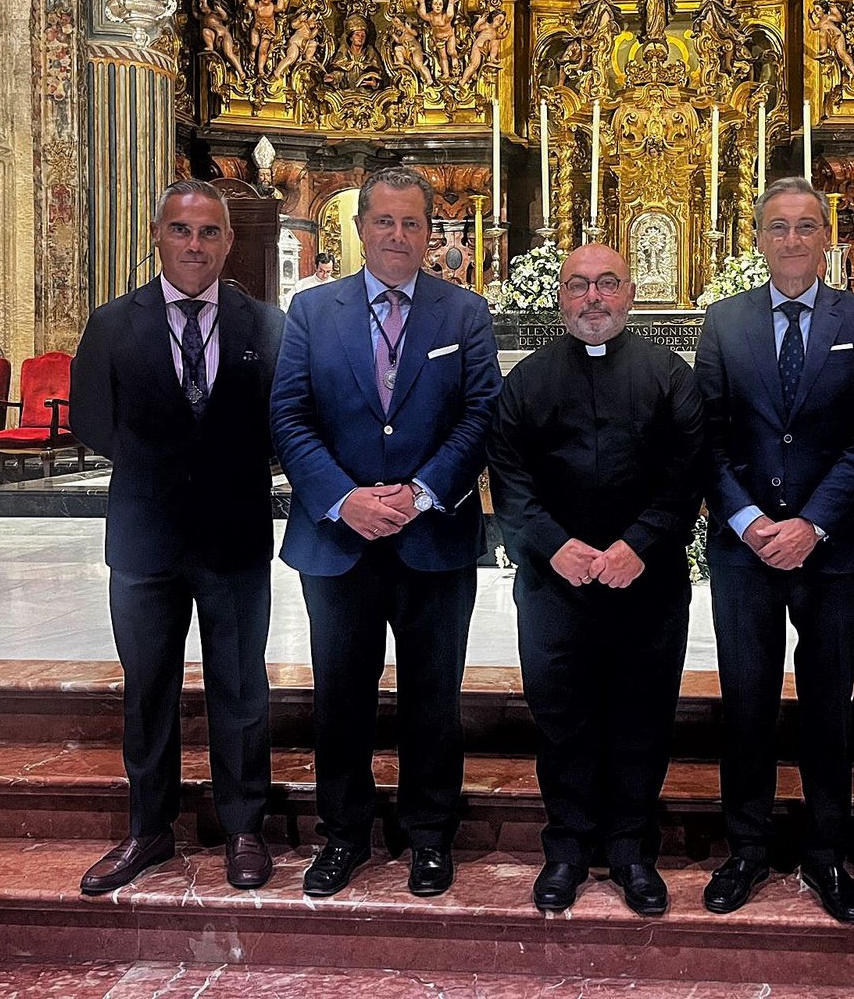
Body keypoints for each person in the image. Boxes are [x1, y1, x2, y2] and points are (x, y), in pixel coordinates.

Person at [270, 166, 502, 900]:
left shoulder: (464, 312)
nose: (398, 235)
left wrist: (422, 492)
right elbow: (289, 414)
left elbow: (481, 413)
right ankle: (343, 834)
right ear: (359, 227)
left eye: (412, 223)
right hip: (339, 543)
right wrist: (344, 499)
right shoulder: (313, 310)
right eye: (384, 221)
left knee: (434, 697)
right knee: (342, 696)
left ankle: (430, 835)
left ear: (430, 233)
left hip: (433, 541)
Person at [70, 180, 285, 896]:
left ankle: (244, 826)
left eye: (209, 232)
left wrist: (218, 468)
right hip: (145, 536)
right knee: (148, 688)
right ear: (158, 236)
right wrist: (164, 468)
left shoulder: (266, 325)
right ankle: (149, 827)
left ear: (228, 241)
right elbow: (92, 419)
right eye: (182, 230)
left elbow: (281, 421)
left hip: (235, 535)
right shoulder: (112, 323)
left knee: (241, 686)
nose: (195, 245)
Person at [695, 176, 854, 924]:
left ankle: (825, 853)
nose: (792, 239)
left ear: (827, 236)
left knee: (827, 709)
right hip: (744, 550)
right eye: (777, 226)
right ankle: (746, 848)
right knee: (746, 703)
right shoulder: (724, 320)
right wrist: (749, 520)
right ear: (758, 237)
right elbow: (707, 436)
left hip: (831, 551)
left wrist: (812, 523)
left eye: (806, 225)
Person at [488, 245, 704, 917]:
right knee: (562, 718)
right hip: (556, 585)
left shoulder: (669, 375)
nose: (593, 298)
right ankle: (568, 848)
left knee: (642, 716)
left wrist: (640, 543)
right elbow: (508, 475)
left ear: (630, 292)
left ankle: (633, 849)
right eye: (578, 285)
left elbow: (688, 470)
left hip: (647, 583)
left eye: (607, 283)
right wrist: (554, 546)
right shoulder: (528, 380)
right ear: (561, 297)